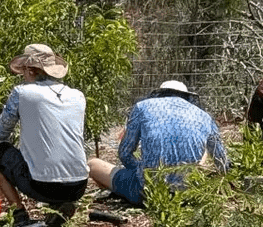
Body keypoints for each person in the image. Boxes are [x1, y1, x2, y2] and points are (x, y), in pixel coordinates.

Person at [0, 44, 87, 223]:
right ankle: (59, 207)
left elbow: (1, 132)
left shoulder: (22, 93)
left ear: (30, 70)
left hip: (42, 186)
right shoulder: (78, 95)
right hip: (79, 186)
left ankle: (19, 212)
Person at [87, 80, 229, 207]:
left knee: (93, 164)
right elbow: (222, 163)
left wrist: (142, 170)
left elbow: (124, 153)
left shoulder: (142, 107)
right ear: (187, 97)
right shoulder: (204, 117)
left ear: (160, 94)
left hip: (147, 193)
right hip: (188, 195)